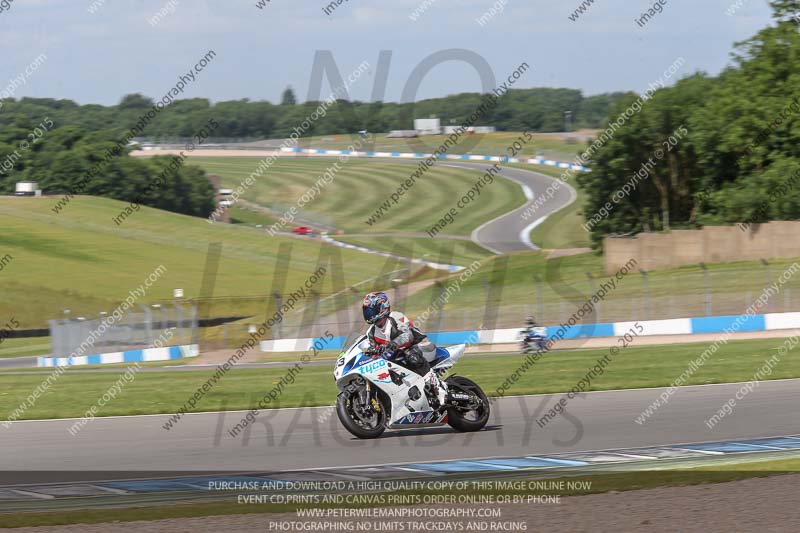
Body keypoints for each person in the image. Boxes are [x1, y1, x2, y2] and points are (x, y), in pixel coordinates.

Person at [361, 291, 442, 407]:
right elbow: (373, 350)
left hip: (421, 345)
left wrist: (392, 344)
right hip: (397, 356)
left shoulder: (396, 317)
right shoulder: (371, 332)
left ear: (382, 307)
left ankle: (435, 385)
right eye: (367, 311)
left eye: (371, 310)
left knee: (411, 356)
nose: (369, 314)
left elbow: (408, 336)